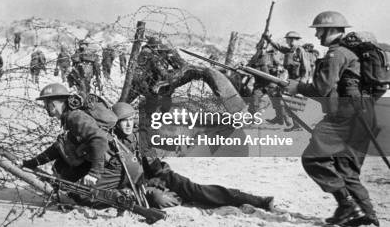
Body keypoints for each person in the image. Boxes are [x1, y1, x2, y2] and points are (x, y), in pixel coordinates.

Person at [282, 11, 378, 227]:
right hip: (364, 114)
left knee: (313, 157)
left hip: (345, 117)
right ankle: (367, 216)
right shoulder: (348, 53)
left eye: (319, 30)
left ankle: (346, 204)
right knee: (347, 169)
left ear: (331, 30)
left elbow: (321, 88)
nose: (316, 35)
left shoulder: (336, 54)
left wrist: (297, 87)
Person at [110, 102, 275, 210]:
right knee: (160, 200)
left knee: (200, 191)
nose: (129, 124)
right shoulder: (112, 142)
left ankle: (258, 201)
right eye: (124, 121)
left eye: (131, 119)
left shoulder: (140, 137)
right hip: (144, 184)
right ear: (115, 123)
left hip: (162, 177)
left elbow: (156, 168)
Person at [22, 84, 109, 187]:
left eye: (46, 104)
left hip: (108, 165)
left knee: (82, 197)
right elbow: (58, 149)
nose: (45, 107)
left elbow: (99, 139)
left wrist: (94, 173)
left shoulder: (75, 117)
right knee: (62, 175)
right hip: (101, 162)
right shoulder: (69, 118)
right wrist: (31, 163)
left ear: (53, 105)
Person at [264, 31, 311, 130]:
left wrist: (302, 84)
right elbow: (278, 47)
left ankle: (297, 125)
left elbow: (306, 68)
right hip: (291, 79)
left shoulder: (300, 51)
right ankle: (286, 120)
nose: (287, 41)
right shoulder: (290, 50)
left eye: (288, 39)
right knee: (282, 99)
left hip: (298, 80)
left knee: (291, 103)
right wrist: (269, 40)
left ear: (293, 39)